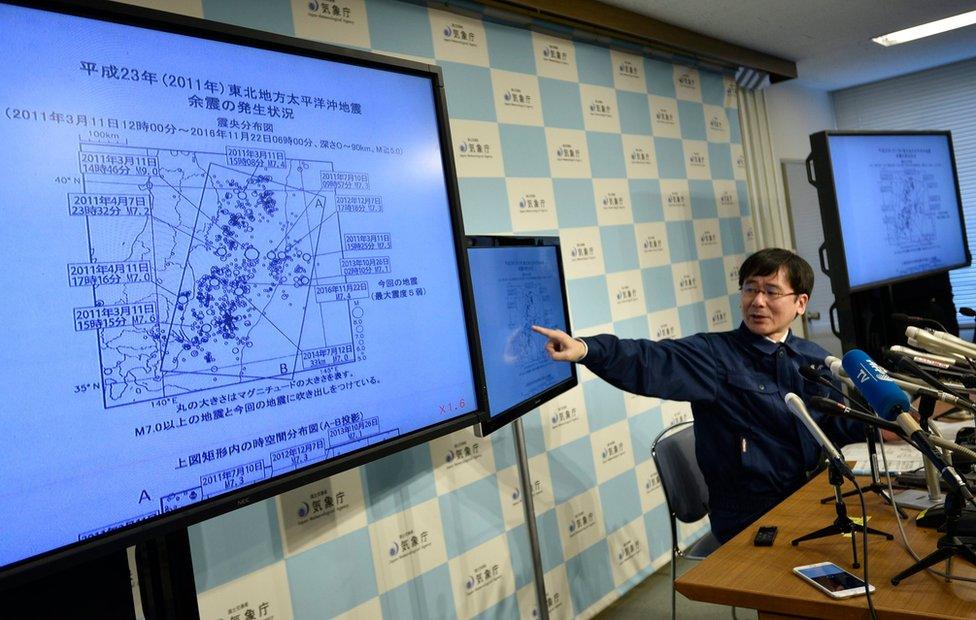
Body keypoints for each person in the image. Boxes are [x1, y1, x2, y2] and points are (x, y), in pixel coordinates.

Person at [533, 248, 862, 542]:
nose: (758, 301)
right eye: (750, 289)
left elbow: (834, 423)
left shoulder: (812, 357)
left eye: (771, 292)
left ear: (800, 303)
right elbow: (646, 360)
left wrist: (881, 427)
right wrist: (587, 350)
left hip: (807, 493)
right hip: (749, 515)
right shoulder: (714, 355)